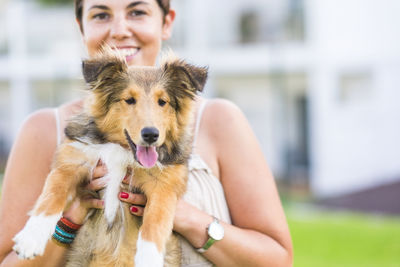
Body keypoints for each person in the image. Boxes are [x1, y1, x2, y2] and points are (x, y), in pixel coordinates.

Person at [0, 0, 293, 266]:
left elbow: (278, 260)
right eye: (101, 15)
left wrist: (184, 217)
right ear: (81, 27)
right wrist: (71, 217)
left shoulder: (221, 120)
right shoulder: (43, 130)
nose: (119, 30)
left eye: (137, 12)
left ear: (166, 22)